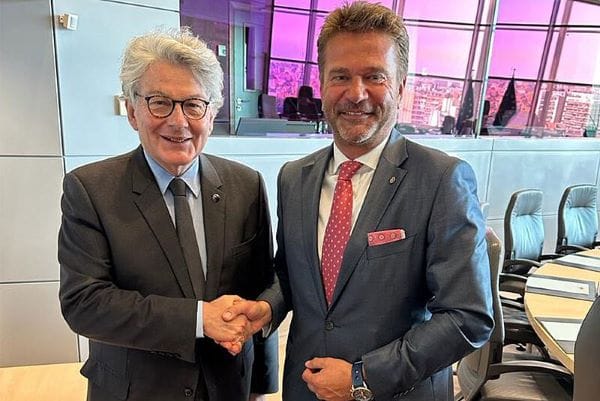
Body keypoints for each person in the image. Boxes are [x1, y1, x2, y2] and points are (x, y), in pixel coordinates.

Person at [224, 2, 494, 401]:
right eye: (341, 76)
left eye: (374, 76)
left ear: (399, 87)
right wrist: (268, 308)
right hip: (306, 388)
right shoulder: (294, 178)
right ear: (322, 85)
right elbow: (292, 273)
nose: (356, 93)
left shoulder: (441, 179)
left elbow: (468, 317)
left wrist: (362, 377)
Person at [58, 28, 277, 401]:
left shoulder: (247, 185)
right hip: (135, 391)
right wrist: (199, 319)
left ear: (212, 114)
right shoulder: (90, 190)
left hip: (228, 388)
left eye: (193, 104)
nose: (178, 121)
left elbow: (260, 288)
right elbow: (85, 304)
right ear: (132, 111)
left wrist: (261, 386)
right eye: (160, 103)